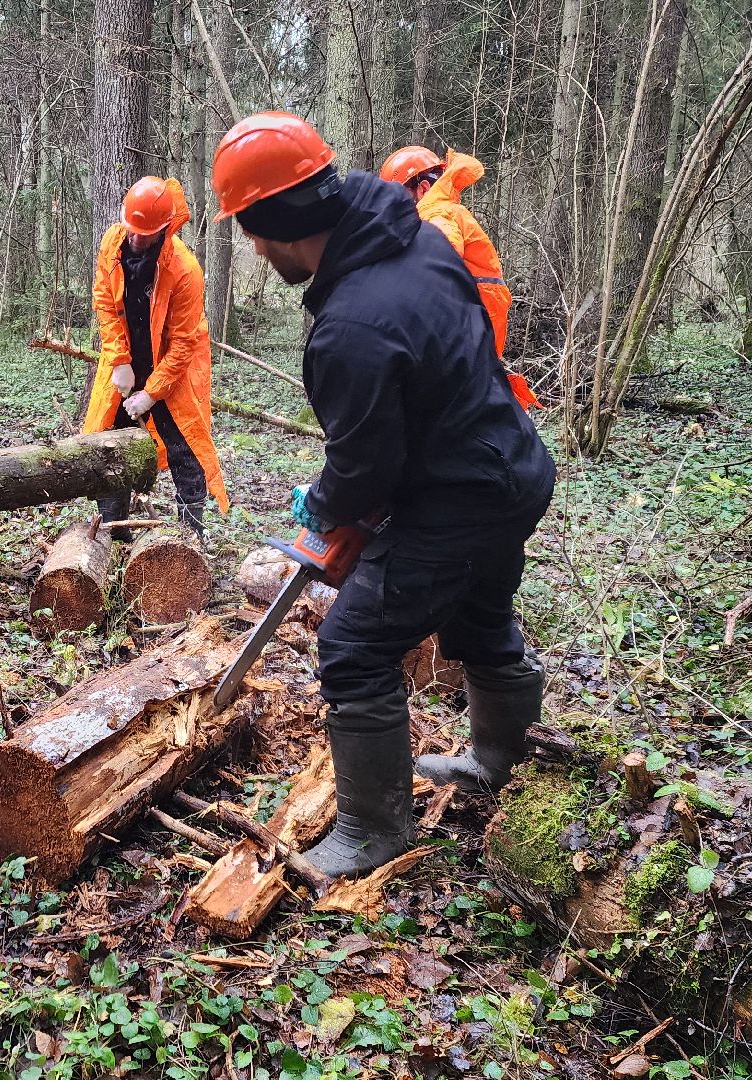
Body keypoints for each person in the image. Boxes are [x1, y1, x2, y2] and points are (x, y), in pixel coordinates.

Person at [209, 112, 556, 878]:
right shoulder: (420, 241)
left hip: (462, 497)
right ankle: (504, 765)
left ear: (280, 217)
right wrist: (347, 494)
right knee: (481, 618)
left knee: (353, 645)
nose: (255, 249)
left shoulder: (353, 326)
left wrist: (329, 501)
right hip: (512, 466)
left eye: (253, 232)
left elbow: (366, 465)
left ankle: (372, 829)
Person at [82, 177, 229, 538]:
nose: (134, 238)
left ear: (164, 229)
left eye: (144, 234)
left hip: (171, 367)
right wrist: (119, 359)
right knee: (112, 445)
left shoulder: (184, 269)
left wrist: (151, 393)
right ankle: (113, 532)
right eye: (131, 229)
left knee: (186, 447)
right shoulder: (112, 244)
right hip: (127, 359)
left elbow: (183, 344)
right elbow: (104, 302)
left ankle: (191, 535)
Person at [379, 146, 539, 410]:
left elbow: (438, 257)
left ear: (422, 189)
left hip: (466, 338)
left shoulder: (437, 215)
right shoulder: (444, 211)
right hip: (470, 336)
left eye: (398, 198)